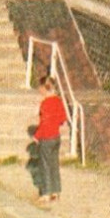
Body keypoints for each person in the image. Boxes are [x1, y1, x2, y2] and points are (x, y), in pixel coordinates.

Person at [32, 76, 68, 204]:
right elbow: (63, 119)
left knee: (45, 165)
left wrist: (37, 135)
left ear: (44, 88)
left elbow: (44, 122)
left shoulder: (45, 103)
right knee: (54, 164)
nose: (39, 90)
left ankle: (46, 193)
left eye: (40, 88)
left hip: (46, 137)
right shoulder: (58, 101)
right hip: (56, 137)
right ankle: (56, 191)